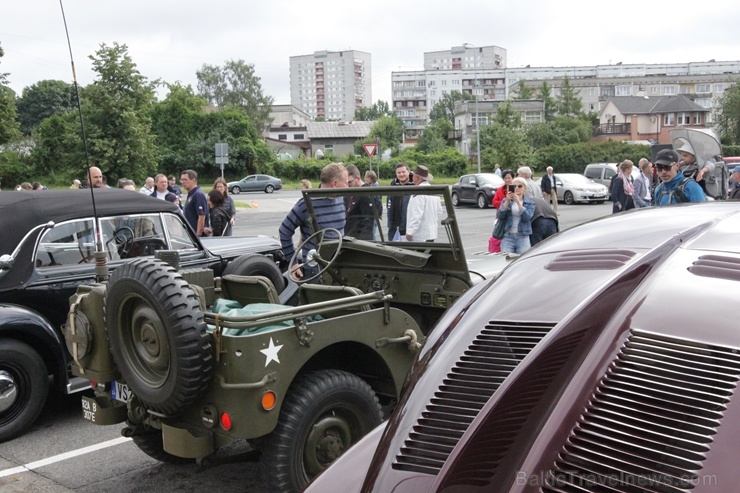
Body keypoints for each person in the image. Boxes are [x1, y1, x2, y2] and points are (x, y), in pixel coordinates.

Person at [279, 163, 348, 281]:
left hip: (339, 264)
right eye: (346, 183)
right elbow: (284, 230)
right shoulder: (306, 203)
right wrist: (293, 264)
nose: (347, 187)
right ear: (335, 184)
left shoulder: (341, 199)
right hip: (315, 269)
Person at [496, 177, 535, 254]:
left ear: (525, 189)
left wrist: (518, 203)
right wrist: (507, 201)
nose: (517, 188)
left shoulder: (530, 203)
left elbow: (527, 218)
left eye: (520, 186)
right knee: (506, 260)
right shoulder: (505, 200)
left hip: (523, 236)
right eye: (514, 186)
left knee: (522, 261)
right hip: (508, 236)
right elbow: (500, 216)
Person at [405, 165, 442, 242]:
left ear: (417, 178)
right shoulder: (434, 191)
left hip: (420, 236)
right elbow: (439, 211)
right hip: (431, 233)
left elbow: (416, 215)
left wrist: (410, 232)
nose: (412, 178)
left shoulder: (418, 192)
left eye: (413, 176)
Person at [344, 165, 376, 240]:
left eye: (349, 182)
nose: (347, 185)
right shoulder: (351, 191)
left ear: (358, 178)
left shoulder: (365, 193)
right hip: (349, 236)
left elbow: (368, 221)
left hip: (359, 239)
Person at [387, 163, 414, 240]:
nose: (401, 174)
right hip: (393, 228)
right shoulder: (392, 186)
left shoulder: (415, 186)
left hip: (408, 228)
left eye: (403, 172)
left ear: (408, 172)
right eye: (399, 173)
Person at [180, 169, 209, 236]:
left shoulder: (198, 195)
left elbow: (201, 216)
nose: (182, 182)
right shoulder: (191, 194)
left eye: (185, 180)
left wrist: (198, 235)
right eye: (182, 180)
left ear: (193, 180)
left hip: (196, 236)